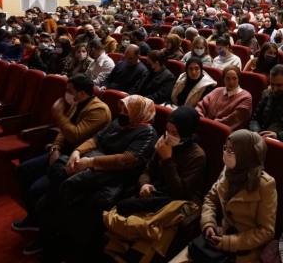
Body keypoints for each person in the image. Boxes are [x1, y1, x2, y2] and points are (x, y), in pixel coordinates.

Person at [38, 95, 158, 261]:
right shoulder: (119, 122)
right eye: (122, 109)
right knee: (57, 176)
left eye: (127, 111)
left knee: (76, 205)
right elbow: (96, 139)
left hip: (114, 176)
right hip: (91, 165)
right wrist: (77, 152)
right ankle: (53, 245)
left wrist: (90, 162)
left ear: (138, 113)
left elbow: (127, 159)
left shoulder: (147, 133)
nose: (122, 113)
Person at [12, 75, 111, 254]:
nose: (66, 94)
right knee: (23, 170)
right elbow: (63, 133)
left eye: (69, 91)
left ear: (81, 94)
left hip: (78, 159)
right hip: (61, 153)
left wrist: (59, 115)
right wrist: (55, 148)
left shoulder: (99, 110)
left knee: (37, 189)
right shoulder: (76, 104)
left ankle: (45, 236)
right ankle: (34, 218)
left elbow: (75, 135)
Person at [171, 130, 276, 263]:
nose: (226, 153)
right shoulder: (229, 169)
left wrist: (228, 243)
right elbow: (211, 199)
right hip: (217, 237)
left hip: (244, 249)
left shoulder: (265, 185)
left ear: (245, 154)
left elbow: (266, 231)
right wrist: (208, 224)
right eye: (226, 148)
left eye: (232, 150)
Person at [135, 106, 206, 205]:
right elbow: (147, 171)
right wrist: (144, 184)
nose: (169, 136)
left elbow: (179, 192)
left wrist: (167, 159)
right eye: (167, 131)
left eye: (174, 133)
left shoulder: (197, 156)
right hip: (157, 193)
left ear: (186, 132)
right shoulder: (164, 143)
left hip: (180, 203)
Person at [196, 65, 253, 129]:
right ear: (223, 79)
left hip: (226, 132)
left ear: (238, 79)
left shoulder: (246, 97)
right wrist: (201, 118)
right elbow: (200, 106)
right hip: (205, 126)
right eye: (228, 78)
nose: (231, 82)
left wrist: (209, 123)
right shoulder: (217, 90)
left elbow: (232, 121)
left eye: (234, 78)